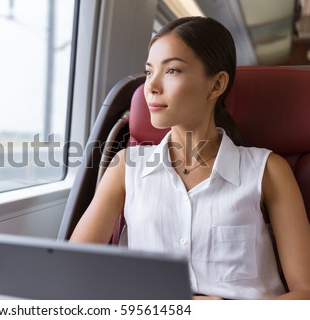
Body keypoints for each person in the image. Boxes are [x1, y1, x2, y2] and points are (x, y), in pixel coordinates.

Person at [70, 16, 310, 300]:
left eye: (171, 70)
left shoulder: (268, 170)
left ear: (216, 85)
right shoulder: (126, 168)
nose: (151, 87)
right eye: (149, 72)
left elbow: (305, 294)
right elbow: (73, 273)